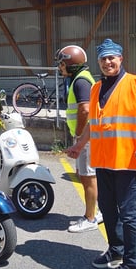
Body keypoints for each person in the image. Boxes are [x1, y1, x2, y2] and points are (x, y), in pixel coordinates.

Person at [66, 39, 136, 269]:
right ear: (99, 62)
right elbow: (94, 124)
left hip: (128, 161)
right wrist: (79, 145)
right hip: (103, 161)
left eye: (111, 58)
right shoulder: (96, 88)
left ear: (120, 59)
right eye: (103, 59)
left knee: (128, 214)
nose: (108, 62)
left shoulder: (135, 83)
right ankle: (116, 251)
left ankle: (132, 266)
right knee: (107, 209)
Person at [55, 45, 102, 233]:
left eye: (62, 64)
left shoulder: (81, 81)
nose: (60, 67)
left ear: (70, 64)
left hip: (86, 137)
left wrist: (79, 135)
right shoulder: (82, 78)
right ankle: (97, 212)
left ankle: (90, 218)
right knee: (88, 176)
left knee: (87, 177)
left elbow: (85, 109)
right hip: (89, 136)